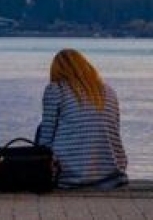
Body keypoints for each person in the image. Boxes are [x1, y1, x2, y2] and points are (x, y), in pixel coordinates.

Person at [36, 48, 128, 188]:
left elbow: (46, 138)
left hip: (69, 177)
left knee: (42, 128)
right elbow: (114, 130)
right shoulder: (108, 91)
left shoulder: (56, 89)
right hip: (112, 175)